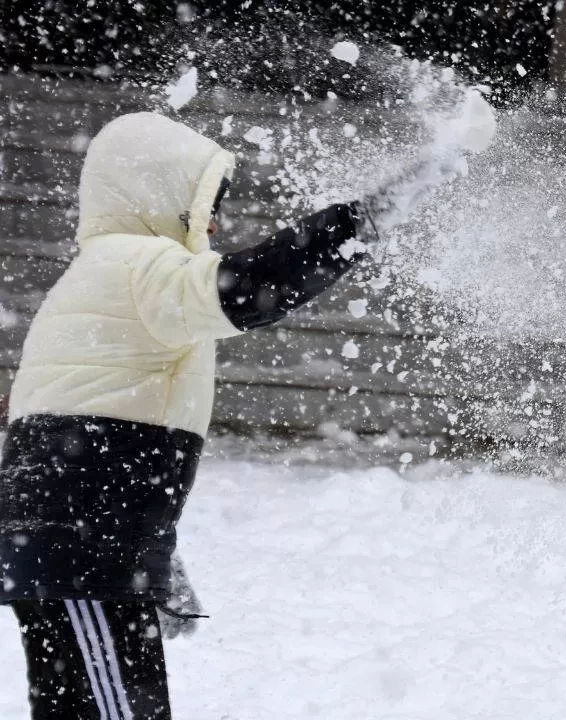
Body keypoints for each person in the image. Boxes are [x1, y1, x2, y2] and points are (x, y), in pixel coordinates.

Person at [0, 111, 439, 720]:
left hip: (78, 547)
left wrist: (152, 560)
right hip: (85, 554)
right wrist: (359, 221)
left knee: (91, 705)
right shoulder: (139, 264)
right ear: (155, 194)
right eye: (201, 204)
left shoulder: (103, 273)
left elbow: (93, 438)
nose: (212, 222)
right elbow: (253, 285)